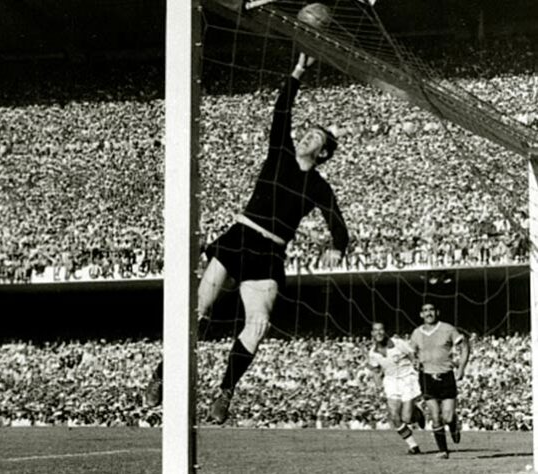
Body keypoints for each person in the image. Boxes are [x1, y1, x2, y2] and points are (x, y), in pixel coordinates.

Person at [145, 53, 349, 424]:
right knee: (197, 312)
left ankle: (225, 393)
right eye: (306, 132)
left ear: (322, 153)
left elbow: (338, 221)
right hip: (238, 237)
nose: (305, 136)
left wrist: (337, 246)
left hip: (270, 252)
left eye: (314, 137)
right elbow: (281, 114)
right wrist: (297, 73)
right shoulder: (280, 154)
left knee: (258, 325)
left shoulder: (319, 187)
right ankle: (161, 375)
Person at [410, 303, 471, 459]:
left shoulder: (448, 329)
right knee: (435, 416)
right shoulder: (416, 333)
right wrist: (414, 361)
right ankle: (443, 451)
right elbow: (411, 352)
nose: (428, 313)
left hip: (446, 376)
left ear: (437, 312)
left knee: (448, 417)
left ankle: (453, 423)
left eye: (431, 310)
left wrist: (461, 368)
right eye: (425, 310)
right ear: (421, 314)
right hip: (426, 377)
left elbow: (465, 346)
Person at [368, 322, 424, 455]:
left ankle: (417, 412)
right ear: (372, 334)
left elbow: (412, 354)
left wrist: (416, 362)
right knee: (394, 416)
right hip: (391, 381)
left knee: (406, 418)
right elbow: (376, 371)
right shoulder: (373, 353)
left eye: (381, 330)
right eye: (376, 330)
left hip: (407, 378)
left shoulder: (398, 343)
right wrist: (378, 387)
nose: (379, 333)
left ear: (385, 331)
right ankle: (413, 446)